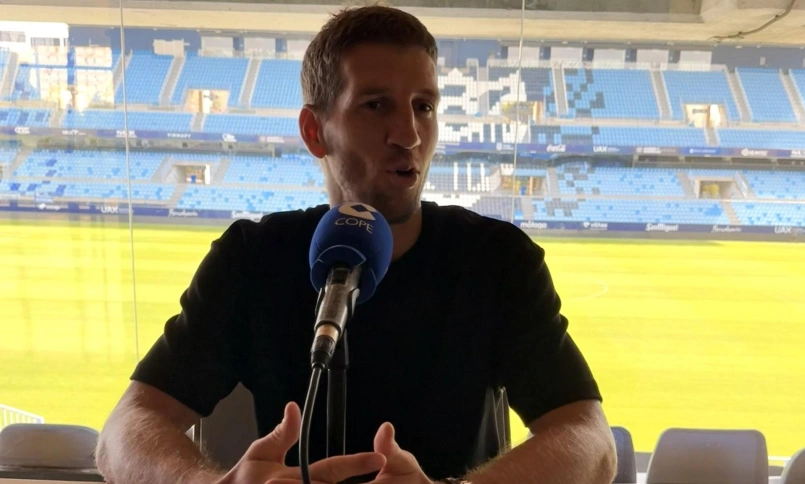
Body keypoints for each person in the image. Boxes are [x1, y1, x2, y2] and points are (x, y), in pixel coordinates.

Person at [95, 5, 617, 484]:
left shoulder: (496, 260)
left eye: (424, 107)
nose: (409, 135)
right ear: (314, 131)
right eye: (376, 106)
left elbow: (590, 441)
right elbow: (127, 429)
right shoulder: (252, 259)